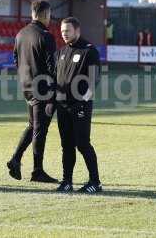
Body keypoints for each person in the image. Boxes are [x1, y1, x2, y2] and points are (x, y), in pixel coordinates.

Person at [6, 0, 58, 183]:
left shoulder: (20, 34)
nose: (50, 18)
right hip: (43, 89)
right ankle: (37, 171)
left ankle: (15, 159)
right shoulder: (46, 36)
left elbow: (15, 59)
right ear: (45, 14)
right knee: (39, 129)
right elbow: (53, 67)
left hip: (27, 87)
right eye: (50, 14)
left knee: (33, 125)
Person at [55, 17, 102, 194]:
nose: (64, 34)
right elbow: (56, 79)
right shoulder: (61, 52)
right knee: (66, 145)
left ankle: (95, 182)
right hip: (62, 107)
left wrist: (83, 102)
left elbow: (94, 80)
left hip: (80, 107)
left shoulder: (89, 51)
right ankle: (67, 181)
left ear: (77, 31)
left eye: (67, 31)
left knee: (83, 144)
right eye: (62, 31)